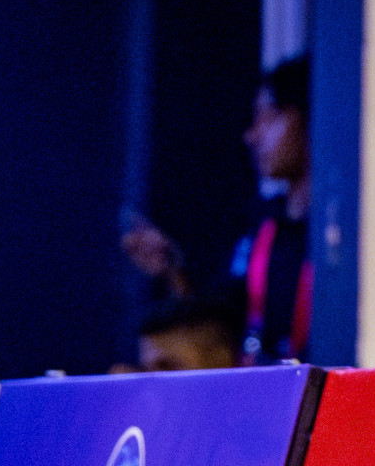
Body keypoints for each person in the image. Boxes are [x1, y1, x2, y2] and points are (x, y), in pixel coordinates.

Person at [122, 55, 311, 364]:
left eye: (270, 115)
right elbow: (217, 324)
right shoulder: (263, 224)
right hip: (264, 395)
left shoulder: (339, 234)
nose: (252, 135)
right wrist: (171, 270)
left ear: (310, 117)